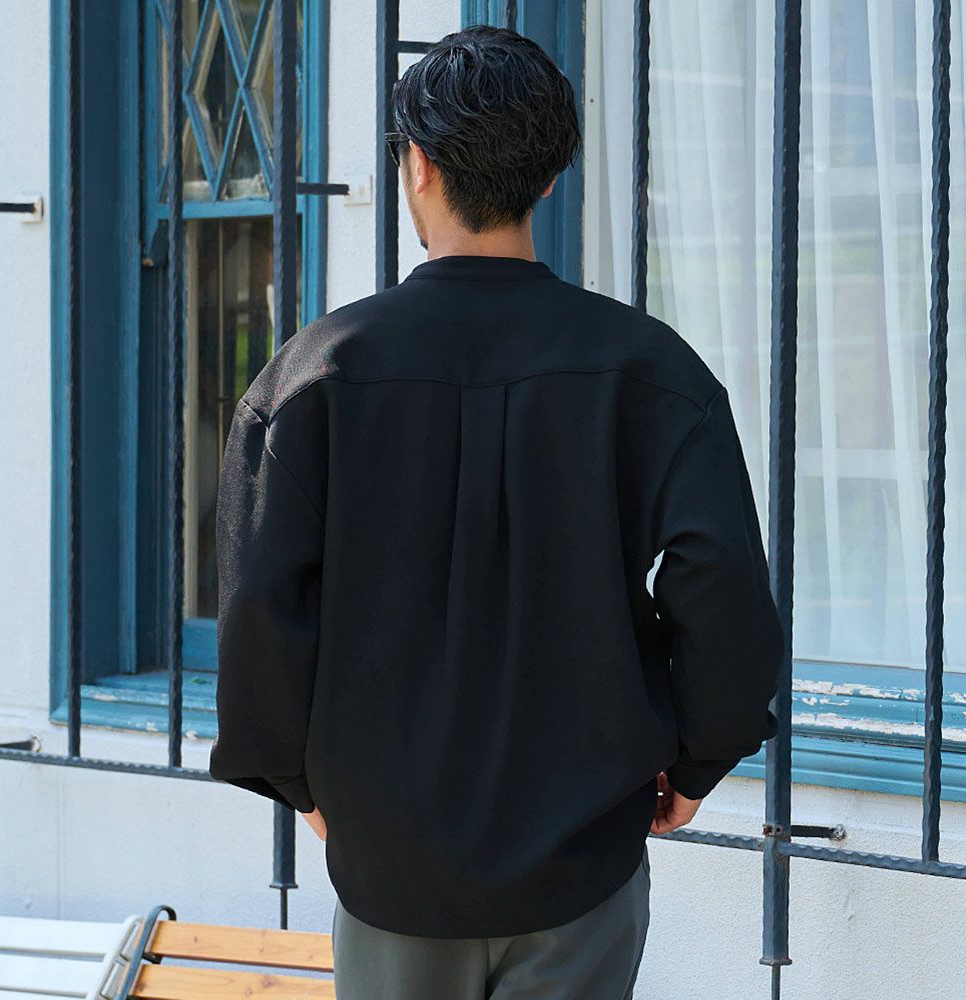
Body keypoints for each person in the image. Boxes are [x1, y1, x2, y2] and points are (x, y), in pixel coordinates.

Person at [208, 24, 783, 1000]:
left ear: (418, 166)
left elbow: (261, 607)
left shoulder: (310, 380)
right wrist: (699, 759)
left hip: (389, 865)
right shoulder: (649, 371)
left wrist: (298, 781)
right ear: (549, 179)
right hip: (582, 858)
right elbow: (720, 582)